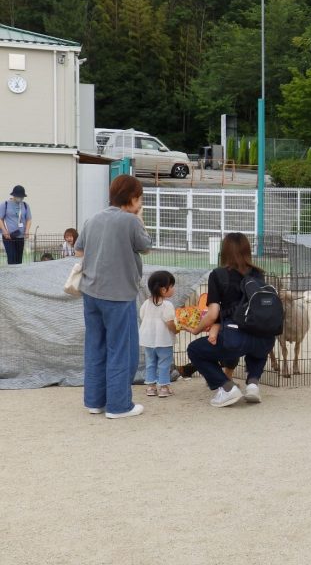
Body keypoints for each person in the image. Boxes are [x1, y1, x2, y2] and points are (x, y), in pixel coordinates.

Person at [75, 174, 152, 418]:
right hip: (119, 295)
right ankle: (119, 406)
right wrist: (138, 218)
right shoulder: (130, 221)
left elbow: (79, 250)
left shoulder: (93, 218)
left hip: (91, 292)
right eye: (139, 198)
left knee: (95, 347)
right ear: (131, 198)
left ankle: (94, 401)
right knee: (121, 349)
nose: (140, 203)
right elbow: (145, 246)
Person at [183, 232, 275, 408]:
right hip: (264, 337)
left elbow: (213, 313)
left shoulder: (218, 275)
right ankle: (253, 384)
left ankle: (227, 387)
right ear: (247, 250)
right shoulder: (258, 274)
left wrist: (196, 329)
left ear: (224, 251)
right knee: (257, 345)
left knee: (195, 350)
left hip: (235, 337)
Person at [140, 270, 178, 398]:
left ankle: (151, 387)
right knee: (164, 363)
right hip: (164, 340)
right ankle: (163, 388)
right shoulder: (167, 305)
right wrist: (176, 330)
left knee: (150, 362)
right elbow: (170, 322)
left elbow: (142, 316)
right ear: (163, 290)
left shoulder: (146, 303)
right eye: (172, 286)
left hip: (148, 340)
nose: (173, 289)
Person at [0, 185, 32, 265]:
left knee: (19, 259)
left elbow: (29, 219)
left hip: (20, 236)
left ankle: (18, 276)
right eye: (18, 196)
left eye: (22, 197)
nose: (20, 198)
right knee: (12, 258)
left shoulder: (25, 205)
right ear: (13, 195)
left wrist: (27, 230)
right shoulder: (5, 204)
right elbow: (0, 219)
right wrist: (4, 231)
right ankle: (11, 276)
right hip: (8, 237)